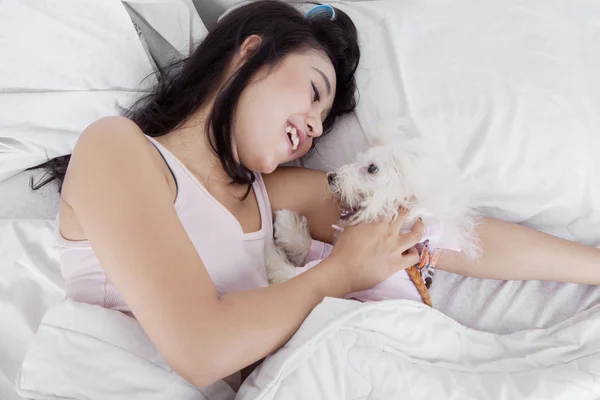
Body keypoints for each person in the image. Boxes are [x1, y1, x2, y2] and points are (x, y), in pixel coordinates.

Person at [31, 0, 600, 391]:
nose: (315, 129)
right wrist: (338, 274)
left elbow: (436, 232)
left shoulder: (269, 196)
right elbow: (199, 348)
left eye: (325, 120)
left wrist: (594, 266)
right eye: (313, 91)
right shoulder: (116, 150)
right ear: (250, 52)